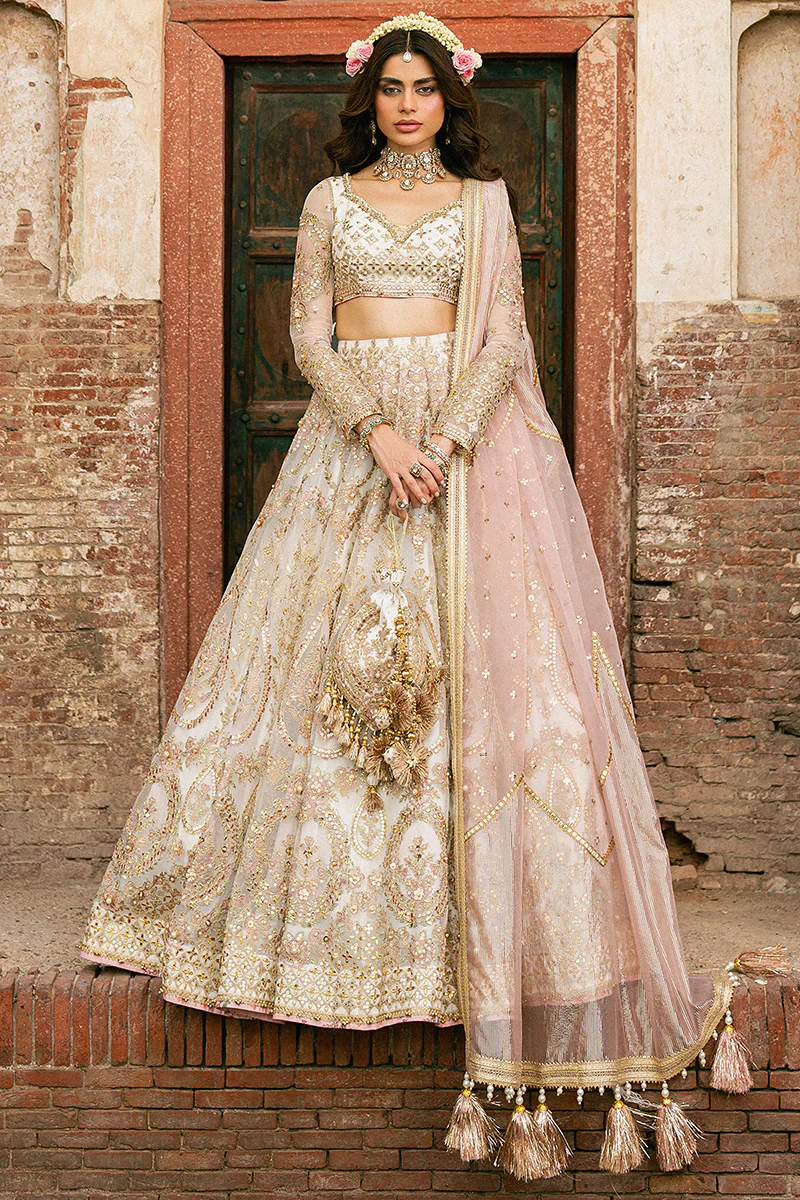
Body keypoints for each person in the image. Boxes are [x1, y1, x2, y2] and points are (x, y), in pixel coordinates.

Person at [81, 11, 785, 1181]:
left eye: (423, 88)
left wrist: (445, 443)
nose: (406, 104)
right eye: (390, 88)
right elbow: (306, 333)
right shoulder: (326, 201)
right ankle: (286, 938)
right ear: (369, 100)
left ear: (448, 102)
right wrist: (377, 432)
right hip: (353, 444)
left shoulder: (485, 205)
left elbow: (502, 340)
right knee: (315, 677)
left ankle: (488, 945)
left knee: (487, 680)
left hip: (464, 461)